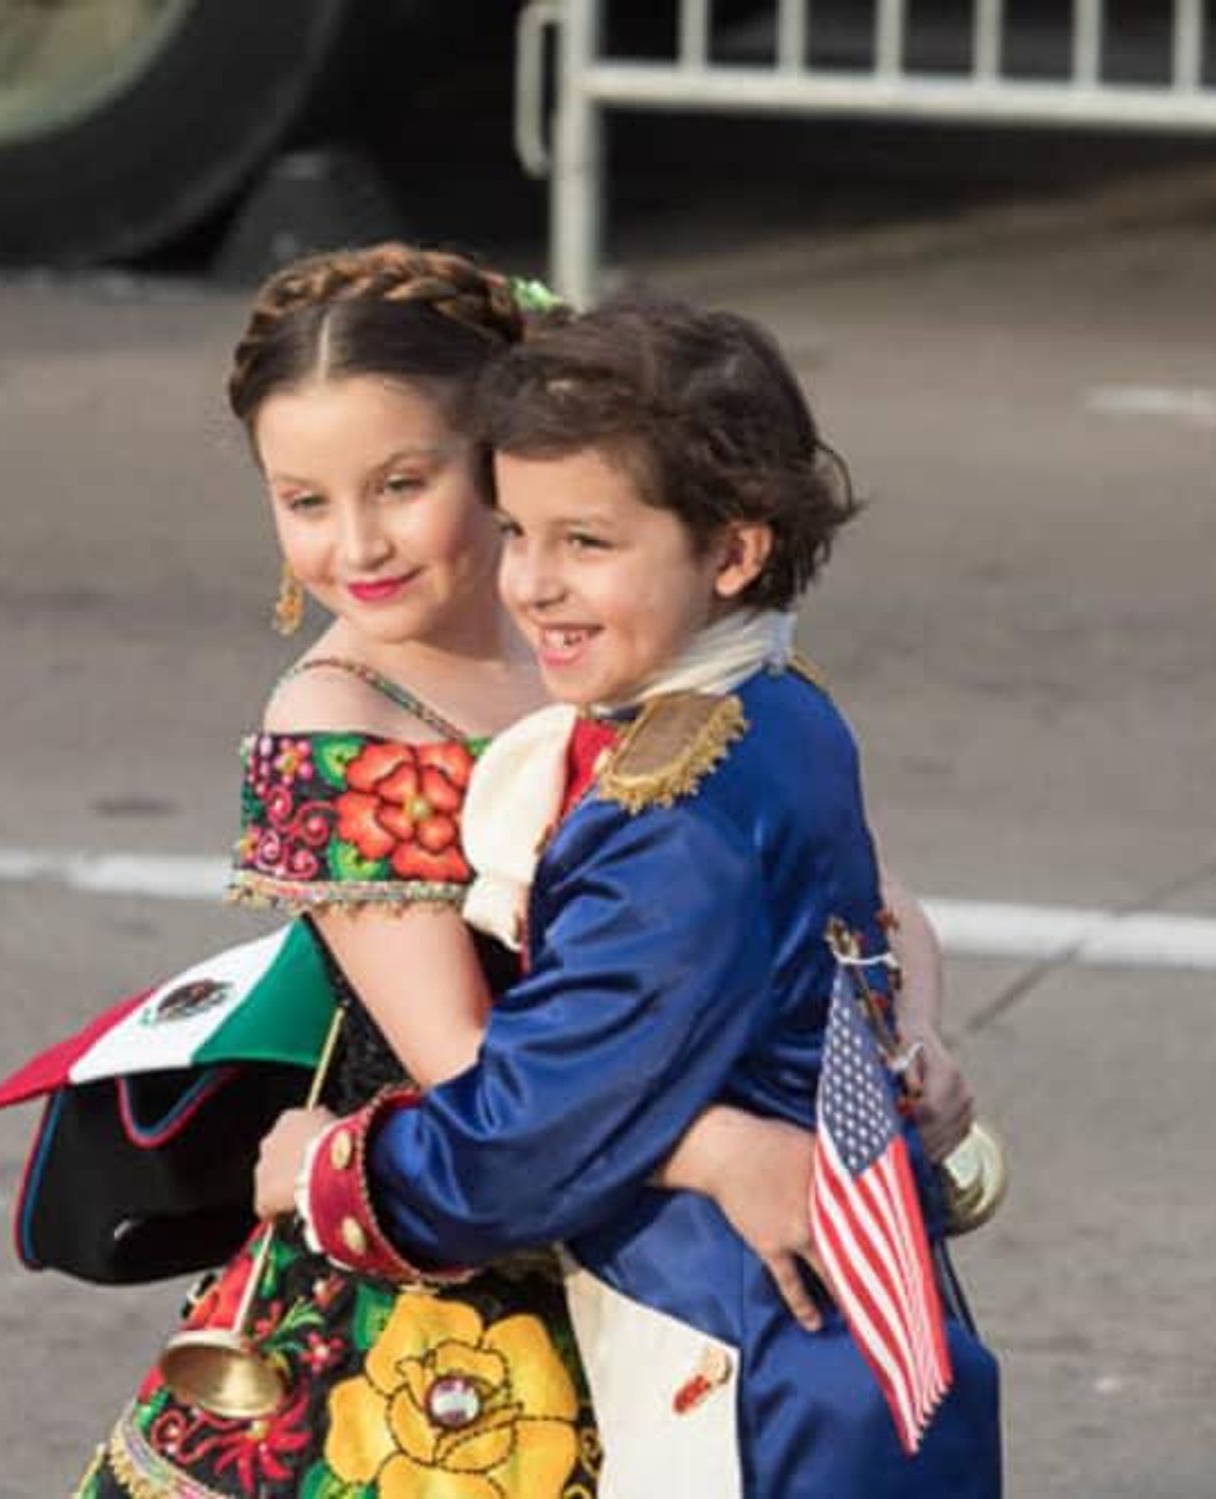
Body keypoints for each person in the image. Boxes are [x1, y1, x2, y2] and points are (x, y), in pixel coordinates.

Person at [78, 250, 975, 1497]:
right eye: (304, 500)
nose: (358, 543)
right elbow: (462, 1059)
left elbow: (855, 900)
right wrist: (721, 1152)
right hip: (461, 1263)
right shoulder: (341, 719)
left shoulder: (601, 625)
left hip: (650, 1242)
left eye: (403, 483)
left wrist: (909, 1035)